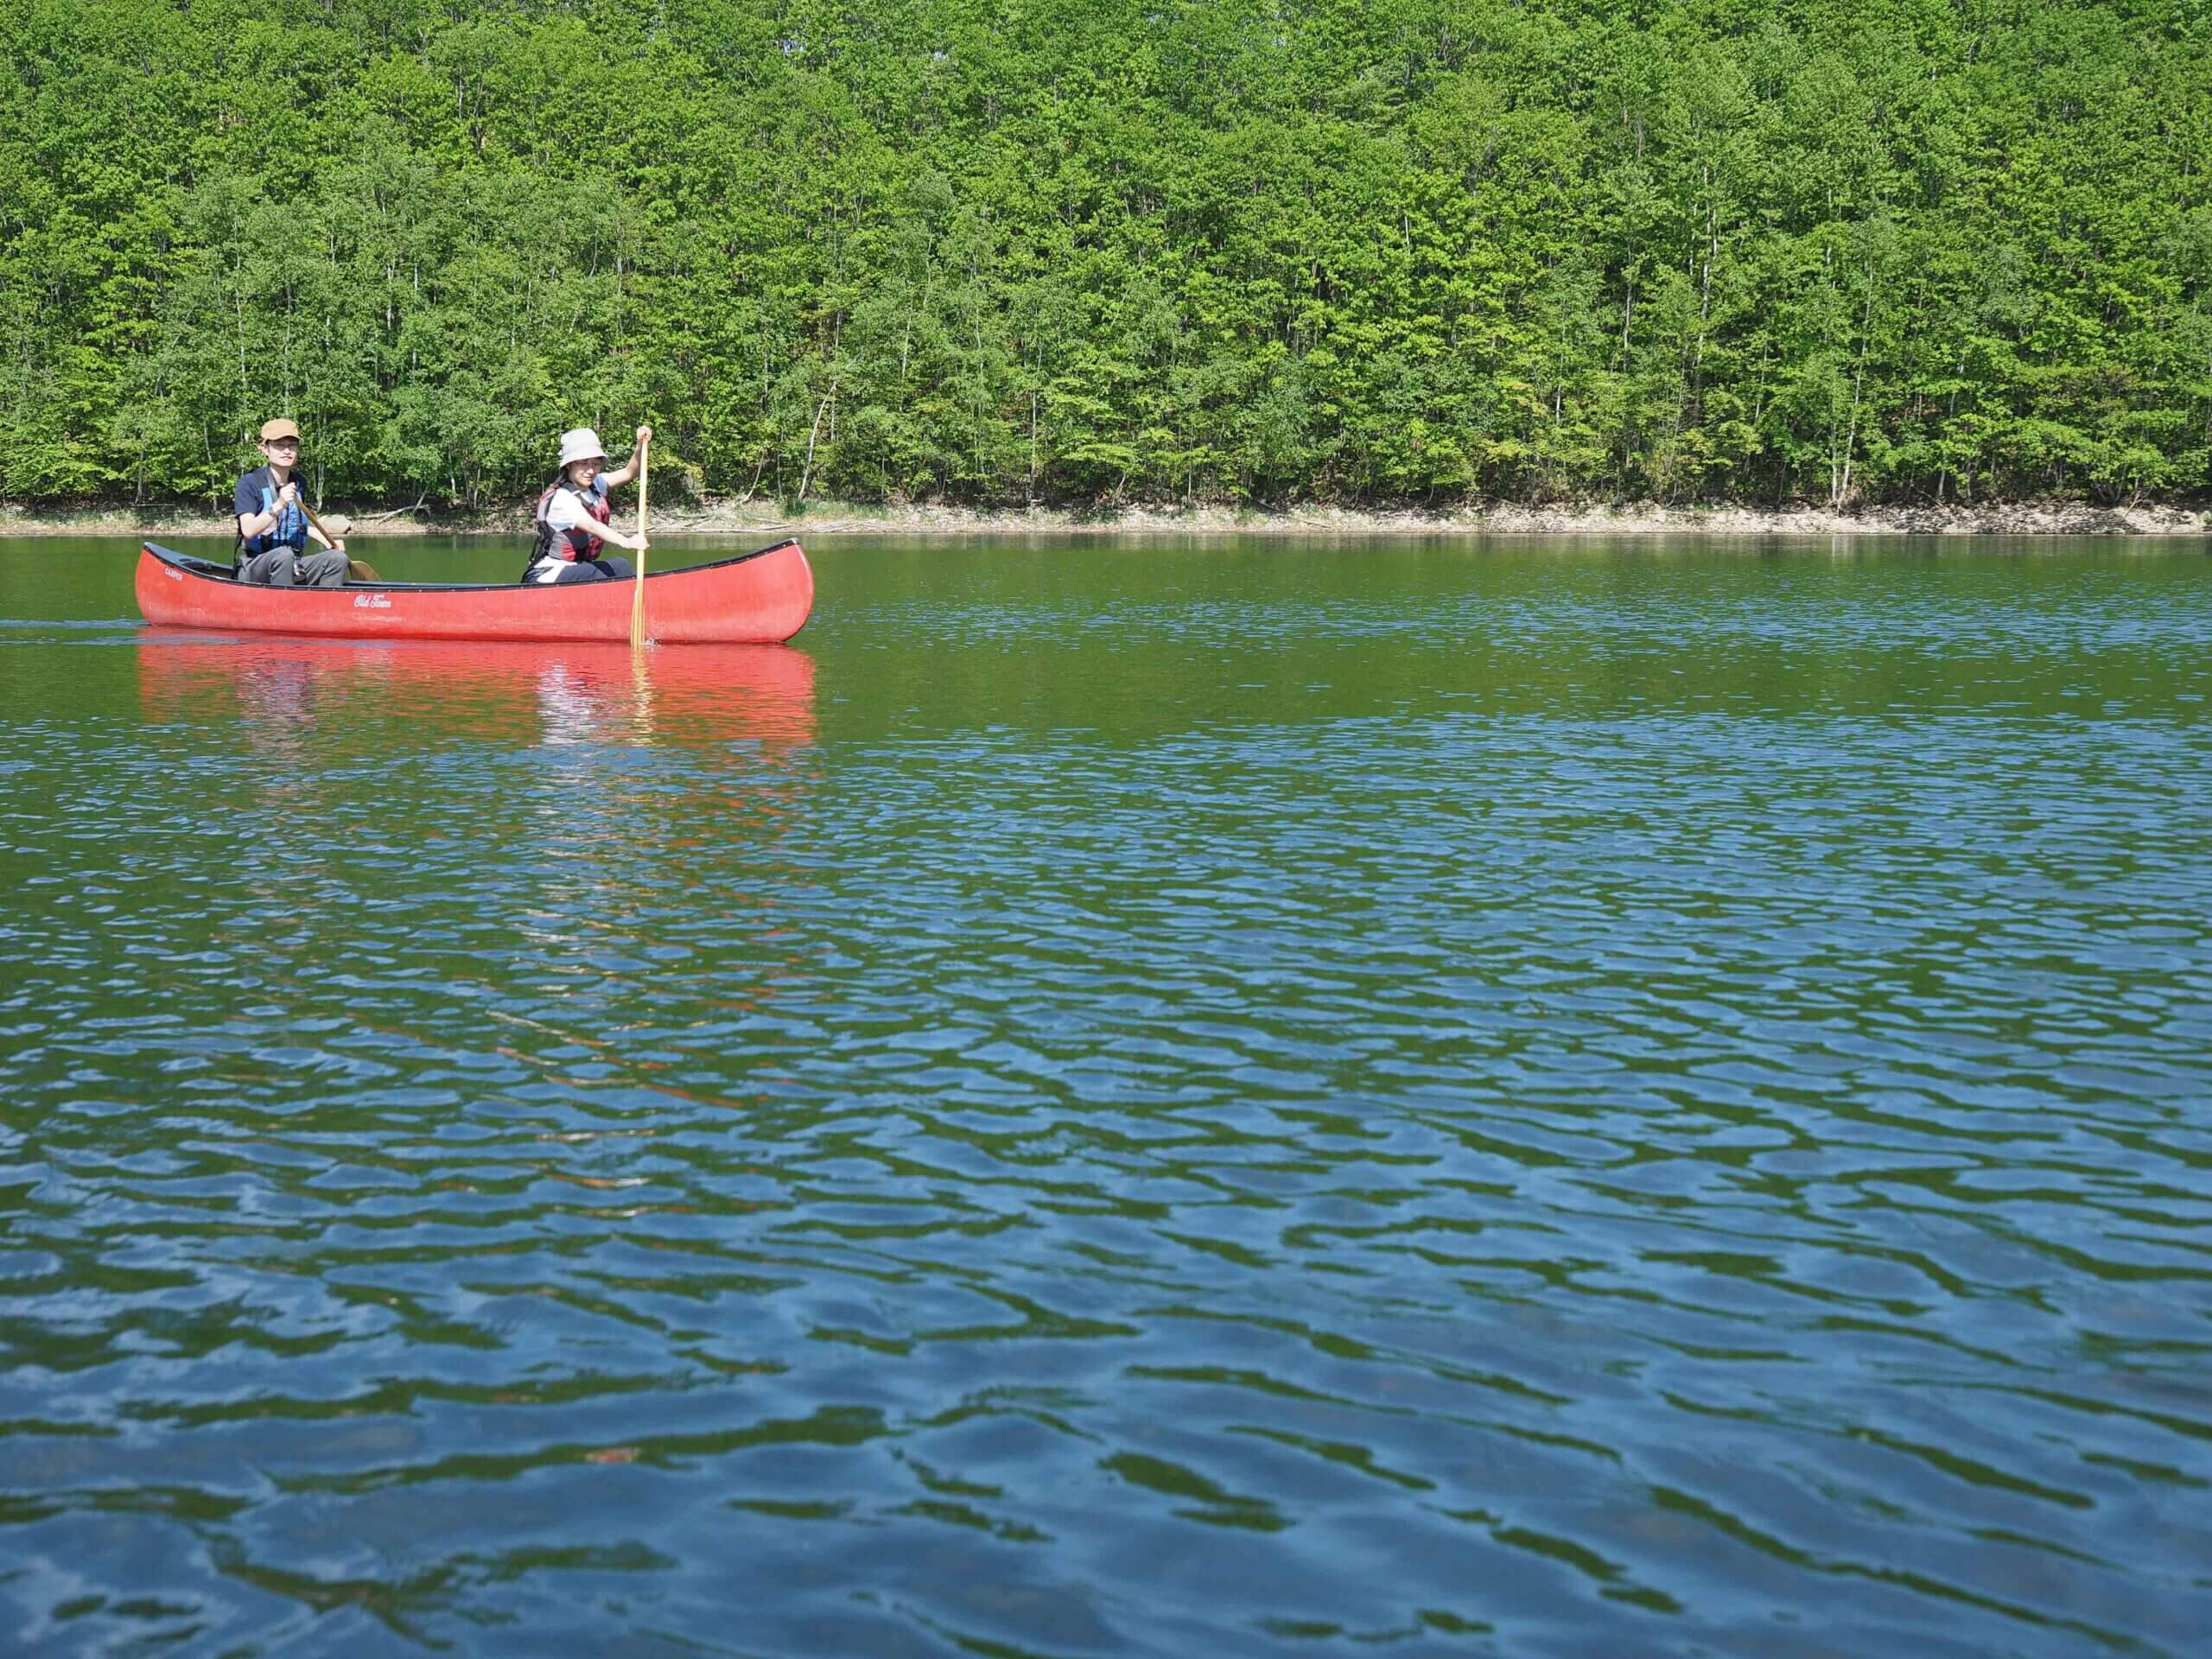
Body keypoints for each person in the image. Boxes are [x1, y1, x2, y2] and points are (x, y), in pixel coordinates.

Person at [524, 425, 652, 583]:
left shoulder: (595, 484)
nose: (590, 470)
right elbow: (592, 526)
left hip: (578, 568)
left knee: (620, 566)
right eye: (583, 463)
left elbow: (629, 473)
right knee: (619, 567)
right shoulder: (562, 498)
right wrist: (626, 541)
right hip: (549, 574)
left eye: (595, 464)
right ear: (569, 464)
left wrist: (640, 445)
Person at [233, 418, 349, 587]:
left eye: (292, 445)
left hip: (294, 564)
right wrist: (279, 505)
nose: (287, 451)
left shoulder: (299, 482)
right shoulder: (250, 483)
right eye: (279, 445)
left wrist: (328, 542)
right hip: (255, 566)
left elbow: (301, 523)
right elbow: (249, 530)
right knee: (283, 556)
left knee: (337, 559)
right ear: (265, 449)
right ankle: (283, 608)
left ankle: (325, 608)